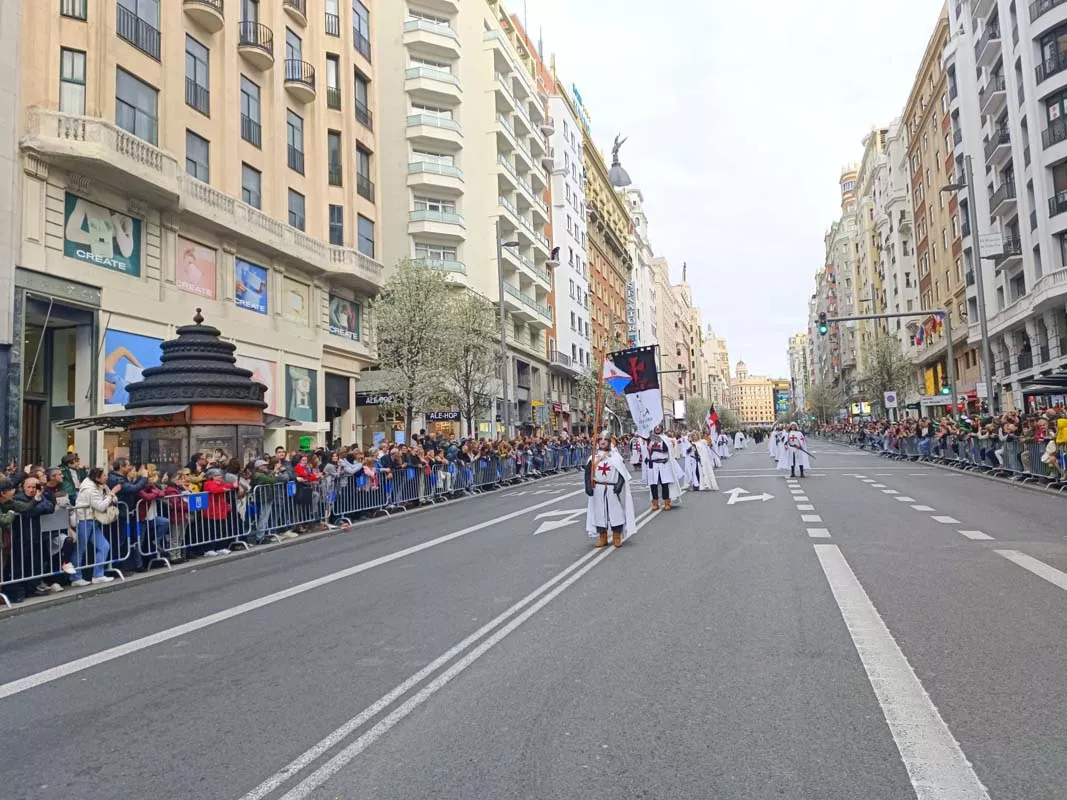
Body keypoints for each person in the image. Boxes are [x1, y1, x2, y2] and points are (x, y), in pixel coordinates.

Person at [585, 435, 636, 548]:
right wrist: (588, 486)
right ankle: (602, 537)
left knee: (615, 512)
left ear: (609, 442)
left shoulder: (616, 457)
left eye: (605, 440)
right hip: (598, 488)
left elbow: (622, 474)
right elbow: (588, 473)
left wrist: (618, 485)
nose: (603, 442)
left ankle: (616, 536)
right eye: (601, 440)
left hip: (611, 488)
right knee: (599, 513)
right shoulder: (593, 457)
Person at [640, 425, 684, 511]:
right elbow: (646, 448)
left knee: (665, 484)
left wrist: (654, 444)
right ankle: (655, 503)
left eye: (659, 427)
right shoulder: (649, 438)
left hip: (663, 464)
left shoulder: (665, 438)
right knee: (653, 484)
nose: (657, 428)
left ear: (661, 428)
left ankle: (667, 502)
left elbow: (665, 449)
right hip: (653, 465)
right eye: (655, 427)